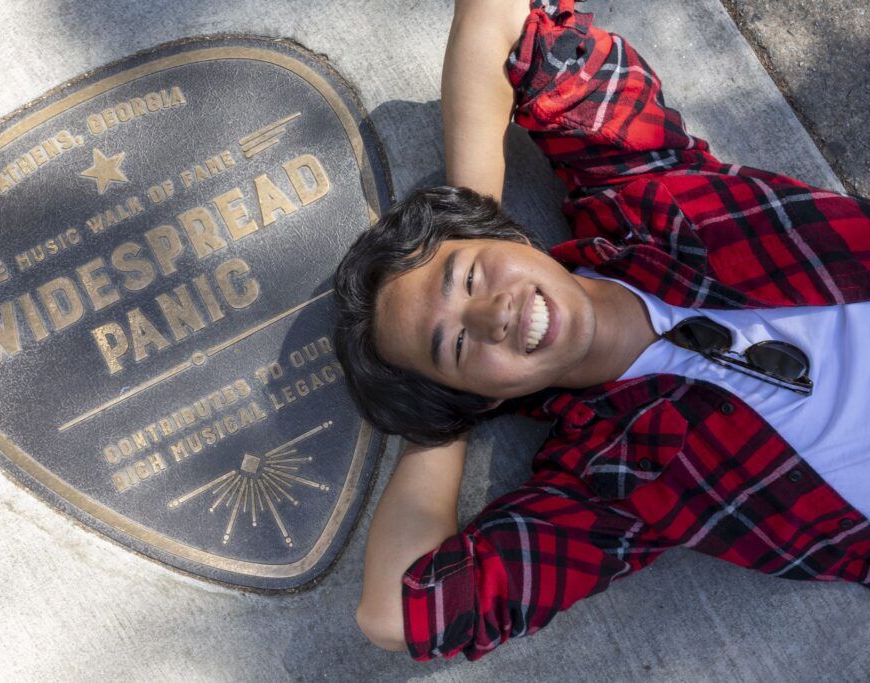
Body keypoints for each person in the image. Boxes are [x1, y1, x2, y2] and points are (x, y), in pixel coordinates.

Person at [332, 0, 870, 662]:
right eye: (458, 346)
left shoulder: (642, 186)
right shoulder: (611, 481)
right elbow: (394, 610)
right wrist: (441, 416)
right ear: (485, 399)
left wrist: (476, 219)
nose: (492, 313)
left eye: (468, 280)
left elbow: (497, 12)